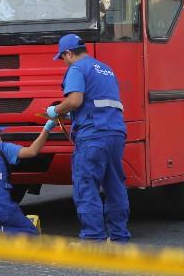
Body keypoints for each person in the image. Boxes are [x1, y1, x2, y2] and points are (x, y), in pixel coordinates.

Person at [47, 33, 130, 242]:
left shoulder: (76, 68)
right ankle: (119, 236)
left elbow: (75, 100)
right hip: (115, 133)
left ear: (68, 53)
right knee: (114, 185)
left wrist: (55, 110)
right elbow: (96, 101)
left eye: (62, 57)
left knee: (86, 185)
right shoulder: (105, 69)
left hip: (93, 135)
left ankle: (93, 238)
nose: (63, 62)